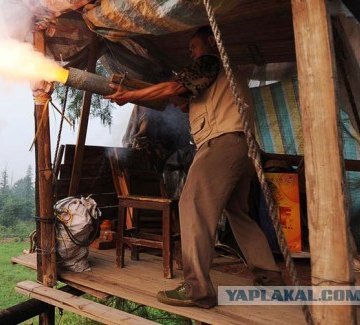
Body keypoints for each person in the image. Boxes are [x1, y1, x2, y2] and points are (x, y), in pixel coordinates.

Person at [104, 26, 283, 308]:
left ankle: (196, 288)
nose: (191, 53)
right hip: (243, 146)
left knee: (191, 204)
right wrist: (143, 91)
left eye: (194, 47)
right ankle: (269, 276)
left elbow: (176, 87)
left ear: (211, 42)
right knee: (239, 213)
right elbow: (183, 103)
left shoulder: (211, 61)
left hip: (221, 141)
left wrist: (130, 96)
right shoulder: (222, 72)